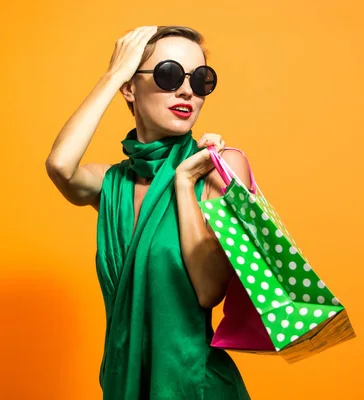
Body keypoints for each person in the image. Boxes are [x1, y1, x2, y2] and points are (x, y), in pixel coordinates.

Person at [45, 25, 252, 399]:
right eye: (169, 74)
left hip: (195, 386)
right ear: (130, 87)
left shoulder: (220, 167)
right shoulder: (112, 185)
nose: (187, 90)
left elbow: (208, 290)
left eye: (200, 79)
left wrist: (185, 183)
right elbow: (61, 166)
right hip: (124, 384)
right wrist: (112, 75)